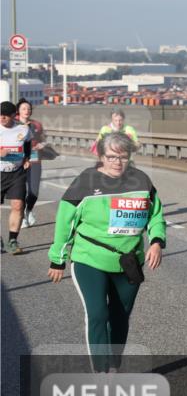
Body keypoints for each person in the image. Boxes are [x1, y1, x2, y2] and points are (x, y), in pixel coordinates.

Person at [47, 131, 165, 372]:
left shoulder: (141, 181)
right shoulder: (86, 182)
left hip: (128, 262)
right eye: (111, 156)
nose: (117, 162)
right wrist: (57, 259)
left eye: (123, 156)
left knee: (120, 318)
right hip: (89, 258)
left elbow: (155, 216)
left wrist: (156, 242)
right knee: (98, 314)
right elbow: (65, 222)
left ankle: (113, 364)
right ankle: (101, 371)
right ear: (101, 156)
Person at [1, 100, 32, 254]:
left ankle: (12, 240)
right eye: (0, 115)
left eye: (6, 115)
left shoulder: (23, 129)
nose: (2, 118)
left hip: (17, 173)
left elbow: (27, 145)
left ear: (14, 115)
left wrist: (26, 159)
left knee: (18, 205)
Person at [17, 99, 46, 228]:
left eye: (29, 109)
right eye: (24, 108)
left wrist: (42, 145)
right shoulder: (13, 125)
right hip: (18, 161)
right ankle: (22, 217)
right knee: (20, 191)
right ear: (18, 111)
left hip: (34, 159)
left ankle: (28, 211)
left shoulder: (36, 125)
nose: (27, 111)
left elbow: (43, 139)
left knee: (34, 191)